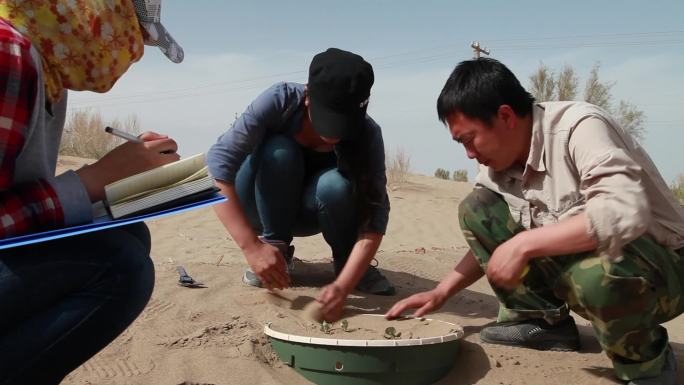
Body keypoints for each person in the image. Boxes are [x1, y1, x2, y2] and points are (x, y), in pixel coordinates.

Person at [386, 58, 684, 385]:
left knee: (593, 275)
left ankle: (646, 365)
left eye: (469, 139)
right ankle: (543, 322)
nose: (469, 153)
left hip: (666, 267)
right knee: (479, 207)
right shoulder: (496, 163)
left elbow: (625, 209)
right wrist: (441, 292)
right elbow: (498, 243)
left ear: (505, 116)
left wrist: (524, 244)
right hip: (609, 263)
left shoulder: (579, 126)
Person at [0, 1, 184, 383]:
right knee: (120, 268)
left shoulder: (46, 69)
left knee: (129, 234)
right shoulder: (9, 52)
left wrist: (114, 183)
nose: (131, 56)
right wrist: (92, 180)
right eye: (131, 35)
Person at [207, 48, 395, 322]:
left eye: (343, 122)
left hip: (314, 211)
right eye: (326, 116)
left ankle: (347, 264)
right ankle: (275, 251)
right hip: (259, 201)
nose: (332, 132)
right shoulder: (279, 101)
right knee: (279, 150)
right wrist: (252, 248)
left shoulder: (367, 133)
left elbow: (375, 215)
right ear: (308, 96)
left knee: (335, 184)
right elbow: (217, 168)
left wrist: (345, 283)